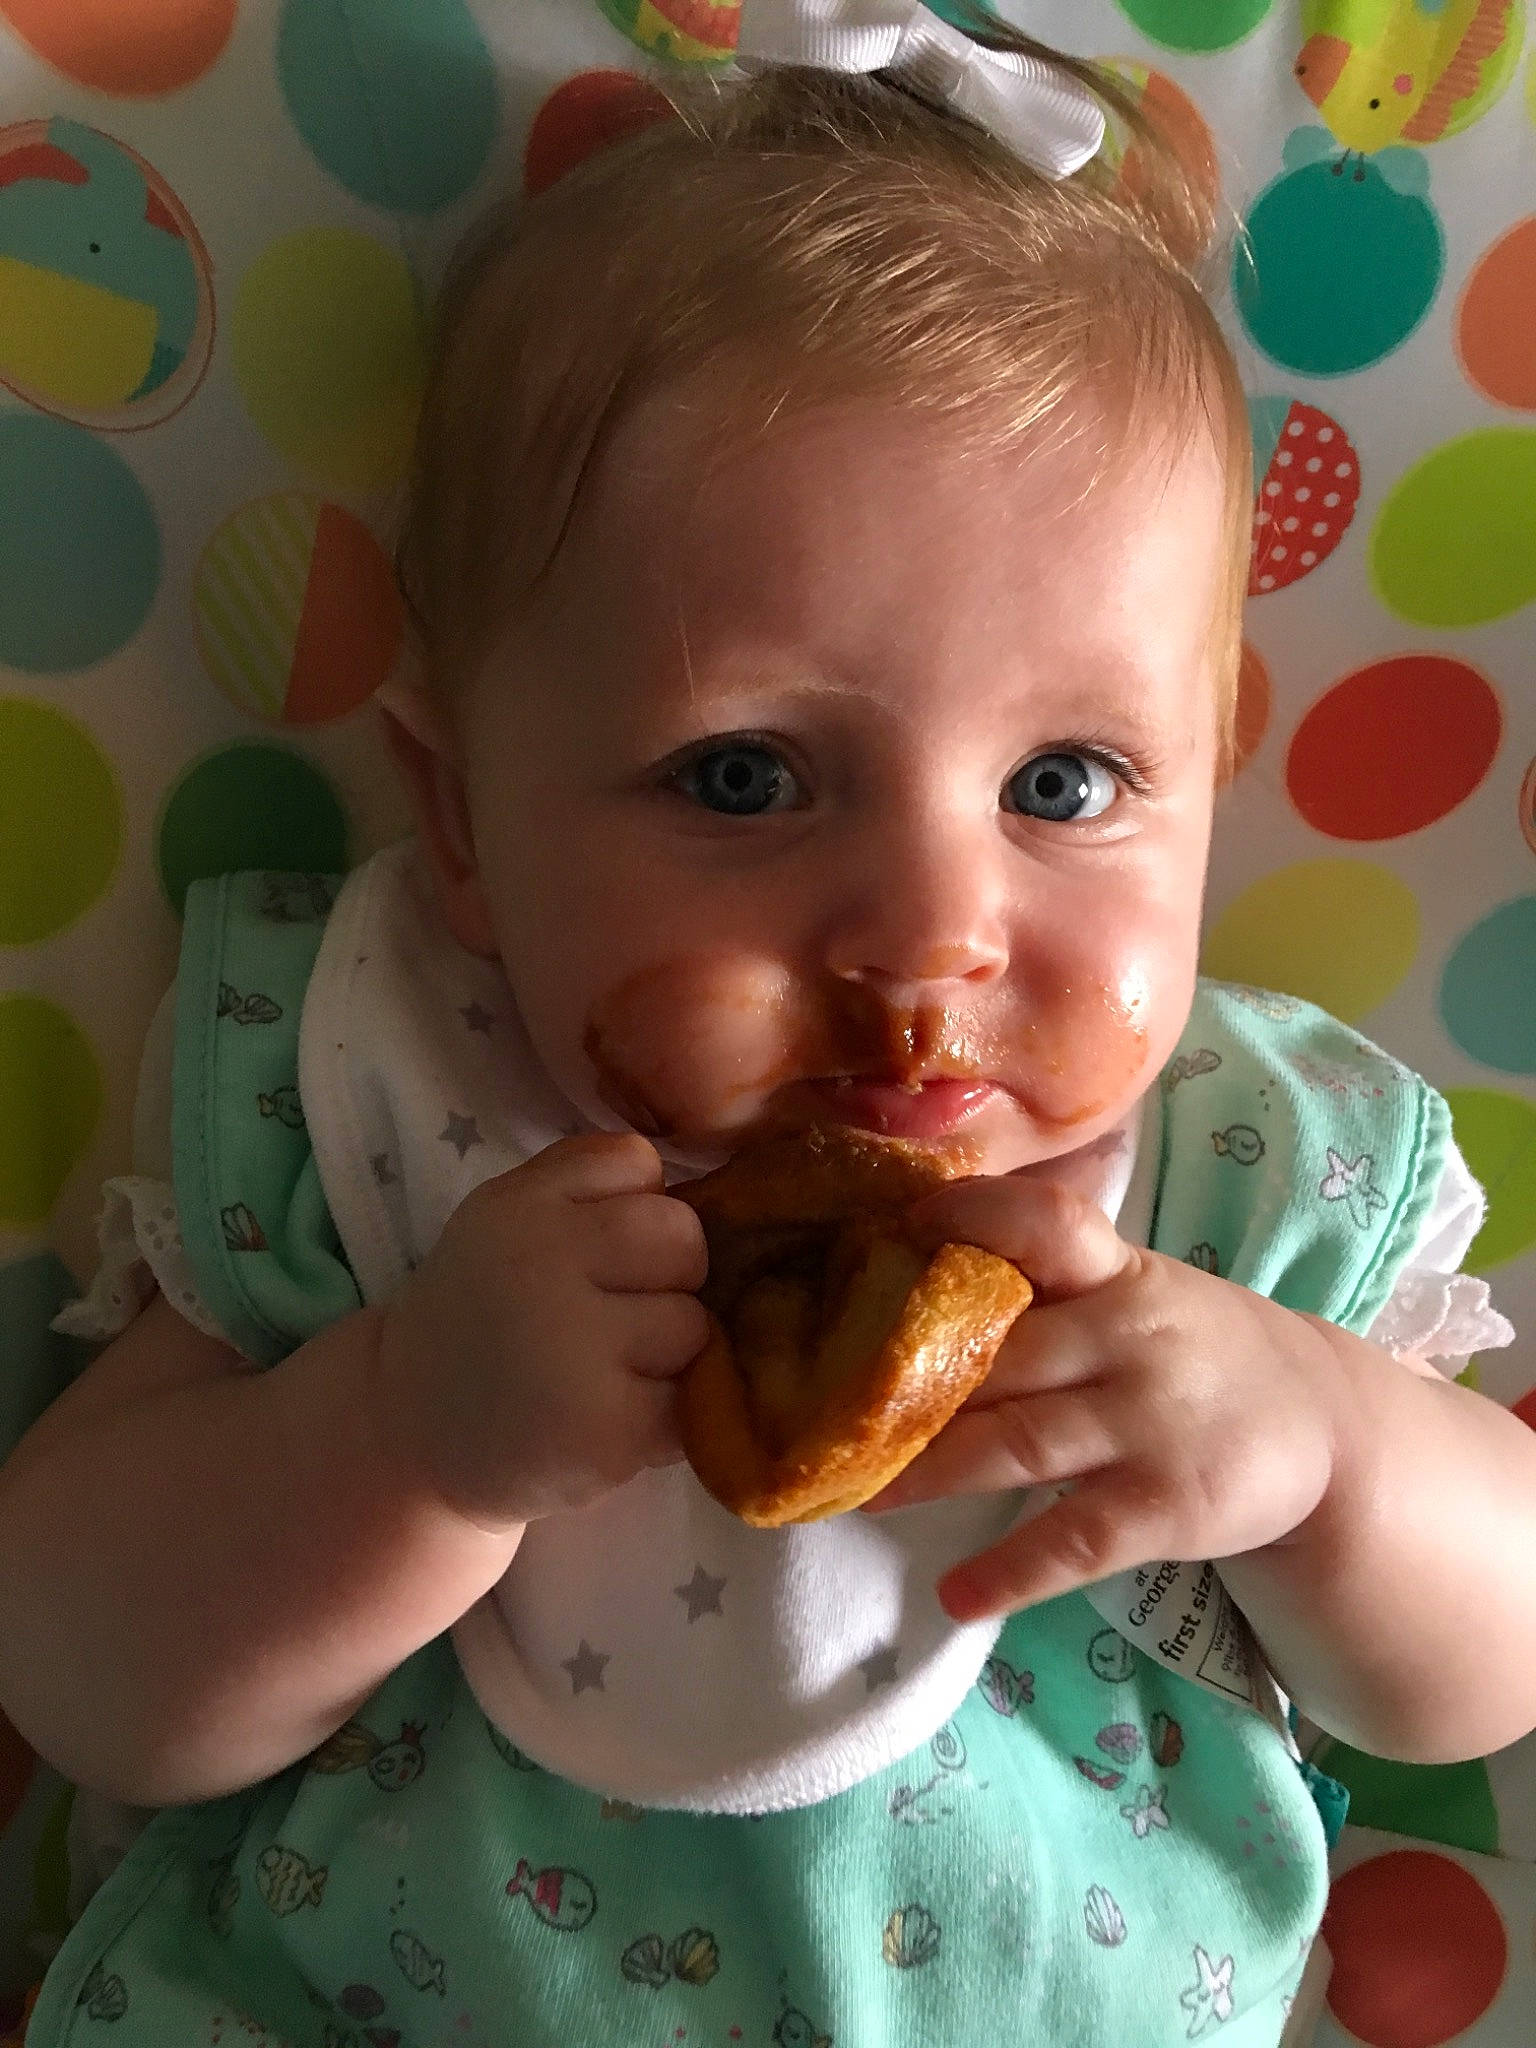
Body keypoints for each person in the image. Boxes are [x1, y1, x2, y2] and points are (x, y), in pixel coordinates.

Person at [3, 7, 1535, 2044]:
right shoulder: (364, 1110)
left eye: (1065, 783)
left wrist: (1321, 1452)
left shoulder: (1240, 1185)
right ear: (457, 820)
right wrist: (391, 1439)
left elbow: (1484, 1671)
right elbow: (84, 1669)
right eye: (744, 781)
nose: (929, 936)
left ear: (1219, 770)